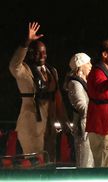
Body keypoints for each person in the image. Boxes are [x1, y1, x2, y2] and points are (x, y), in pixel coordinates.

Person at [9, 22, 69, 162]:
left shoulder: (51, 71)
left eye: (44, 52)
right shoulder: (24, 71)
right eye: (37, 52)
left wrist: (64, 121)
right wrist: (27, 42)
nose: (42, 55)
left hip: (49, 126)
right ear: (30, 53)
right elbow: (14, 64)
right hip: (31, 124)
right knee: (35, 163)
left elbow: (57, 96)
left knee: (50, 161)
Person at [64, 53, 94, 168]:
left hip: (89, 124)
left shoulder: (83, 82)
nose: (91, 66)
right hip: (84, 127)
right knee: (85, 162)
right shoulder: (75, 83)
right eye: (88, 63)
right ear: (80, 65)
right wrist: (96, 112)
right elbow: (81, 106)